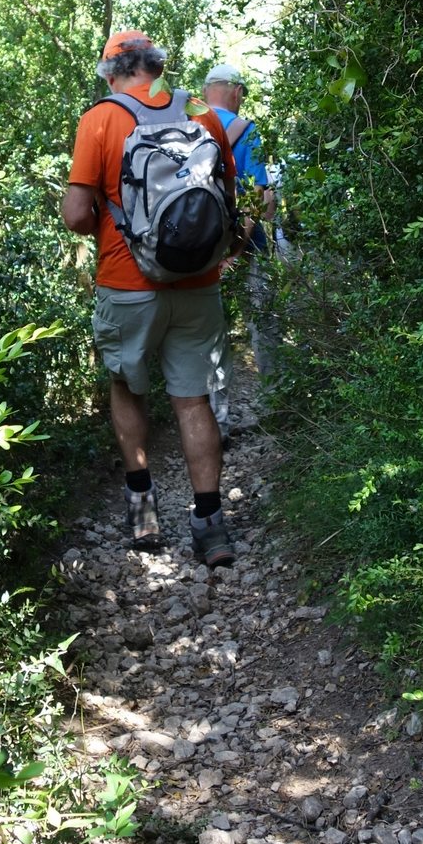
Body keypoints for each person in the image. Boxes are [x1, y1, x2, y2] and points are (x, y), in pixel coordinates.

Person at [61, 32, 239, 569]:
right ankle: (209, 525)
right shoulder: (203, 114)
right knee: (193, 399)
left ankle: (143, 510)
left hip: (127, 282)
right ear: (157, 68)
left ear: (112, 72)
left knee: (127, 386)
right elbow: (224, 199)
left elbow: (74, 214)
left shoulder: (100, 120)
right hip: (199, 284)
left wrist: (114, 230)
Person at [201, 64, 277, 438]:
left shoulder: (187, 125)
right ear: (235, 91)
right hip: (247, 248)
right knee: (263, 320)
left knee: (208, 333)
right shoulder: (246, 130)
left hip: (196, 251)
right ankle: (278, 403)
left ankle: (217, 421)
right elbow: (256, 197)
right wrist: (237, 250)